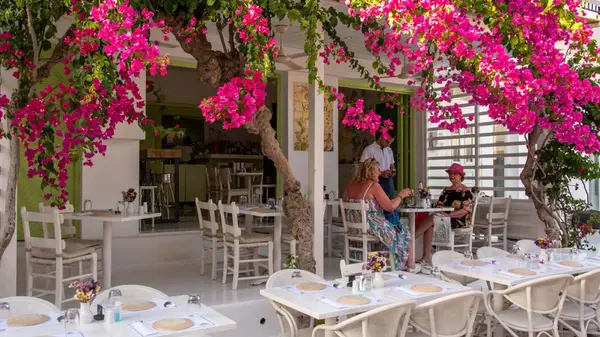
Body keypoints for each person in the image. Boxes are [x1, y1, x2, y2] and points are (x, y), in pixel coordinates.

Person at [344, 158, 413, 270]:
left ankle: (376, 266)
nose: (380, 173)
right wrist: (401, 195)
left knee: (388, 231)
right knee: (402, 231)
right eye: (378, 170)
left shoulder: (350, 184)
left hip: (353, 229)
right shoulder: (373, 185)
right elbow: (390, 207)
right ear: (370, 172)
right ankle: (397, 267)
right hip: (371, 227)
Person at [415, 163, 475, 264]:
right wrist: (442, 213)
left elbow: (465, 210)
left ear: (461, 176)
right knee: (431, 222)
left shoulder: (466, 191)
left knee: (432, 218)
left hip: (458, 220)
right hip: (444, 218)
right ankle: (425, 258)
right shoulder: (446, 190)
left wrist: (449, 215)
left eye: (455, 174)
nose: (452, 176)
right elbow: (439, 206)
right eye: (450, 173)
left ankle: (412, 238)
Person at [360, 132, 396, 198]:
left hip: (389, 180)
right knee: (379, 203)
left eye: (390, 143)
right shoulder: (369, 149)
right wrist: (381, 173)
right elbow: (363, 167)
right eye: (387, 142)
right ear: (381, 137)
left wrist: (393, 171)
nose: (388, 144)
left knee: (391, 202)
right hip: (374, 181)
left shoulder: (389, 150)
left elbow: (392, 165)